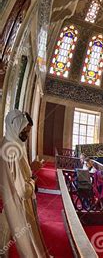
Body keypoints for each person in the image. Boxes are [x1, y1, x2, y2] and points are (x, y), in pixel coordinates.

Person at [0, 110, 50, 257]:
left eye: (27, 131)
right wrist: (32, 180)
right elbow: (23, 191)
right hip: (18, 202)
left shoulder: (6, 142)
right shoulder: (14, 150)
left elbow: (13, 173)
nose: (26, 135)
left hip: (6, 199)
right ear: (15, 126)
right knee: (28, 241)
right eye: (24, 130)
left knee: (3, 235)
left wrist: (29, 167)